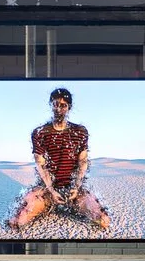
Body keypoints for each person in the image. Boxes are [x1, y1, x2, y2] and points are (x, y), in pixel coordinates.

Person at [9, 86, 112, 231]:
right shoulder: (40, 133)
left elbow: (83, 162)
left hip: (73, 191)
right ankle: (49, 206)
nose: (59, 109)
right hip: (47, 190)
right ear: (51, 105)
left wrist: (76, 188)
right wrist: (51, 190)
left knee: (103, 220)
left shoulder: (79, 132)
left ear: (69, 107)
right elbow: (41, 164)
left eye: (63, 105)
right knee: (17, 221)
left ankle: (72, 206)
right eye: (56, 104)